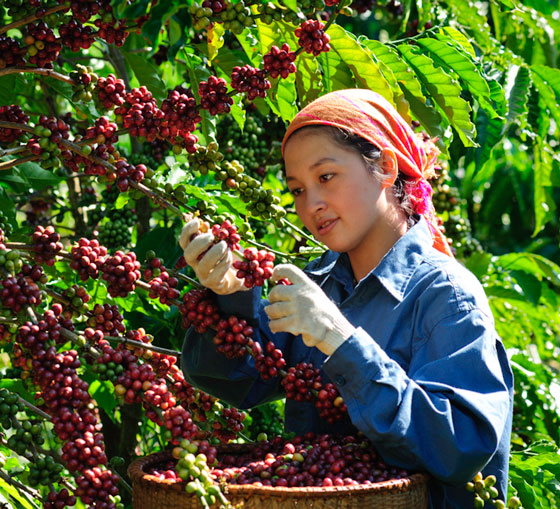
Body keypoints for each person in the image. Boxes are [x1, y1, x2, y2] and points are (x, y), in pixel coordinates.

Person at [177, 89, 513, 509]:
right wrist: (231, 298)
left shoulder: (445, 295)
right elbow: (233, 379)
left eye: (326, 177)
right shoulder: (315, 286)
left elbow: (461, 446)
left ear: (386, 167)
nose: (312, 204)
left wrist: (339, 339)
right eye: (297, 190)